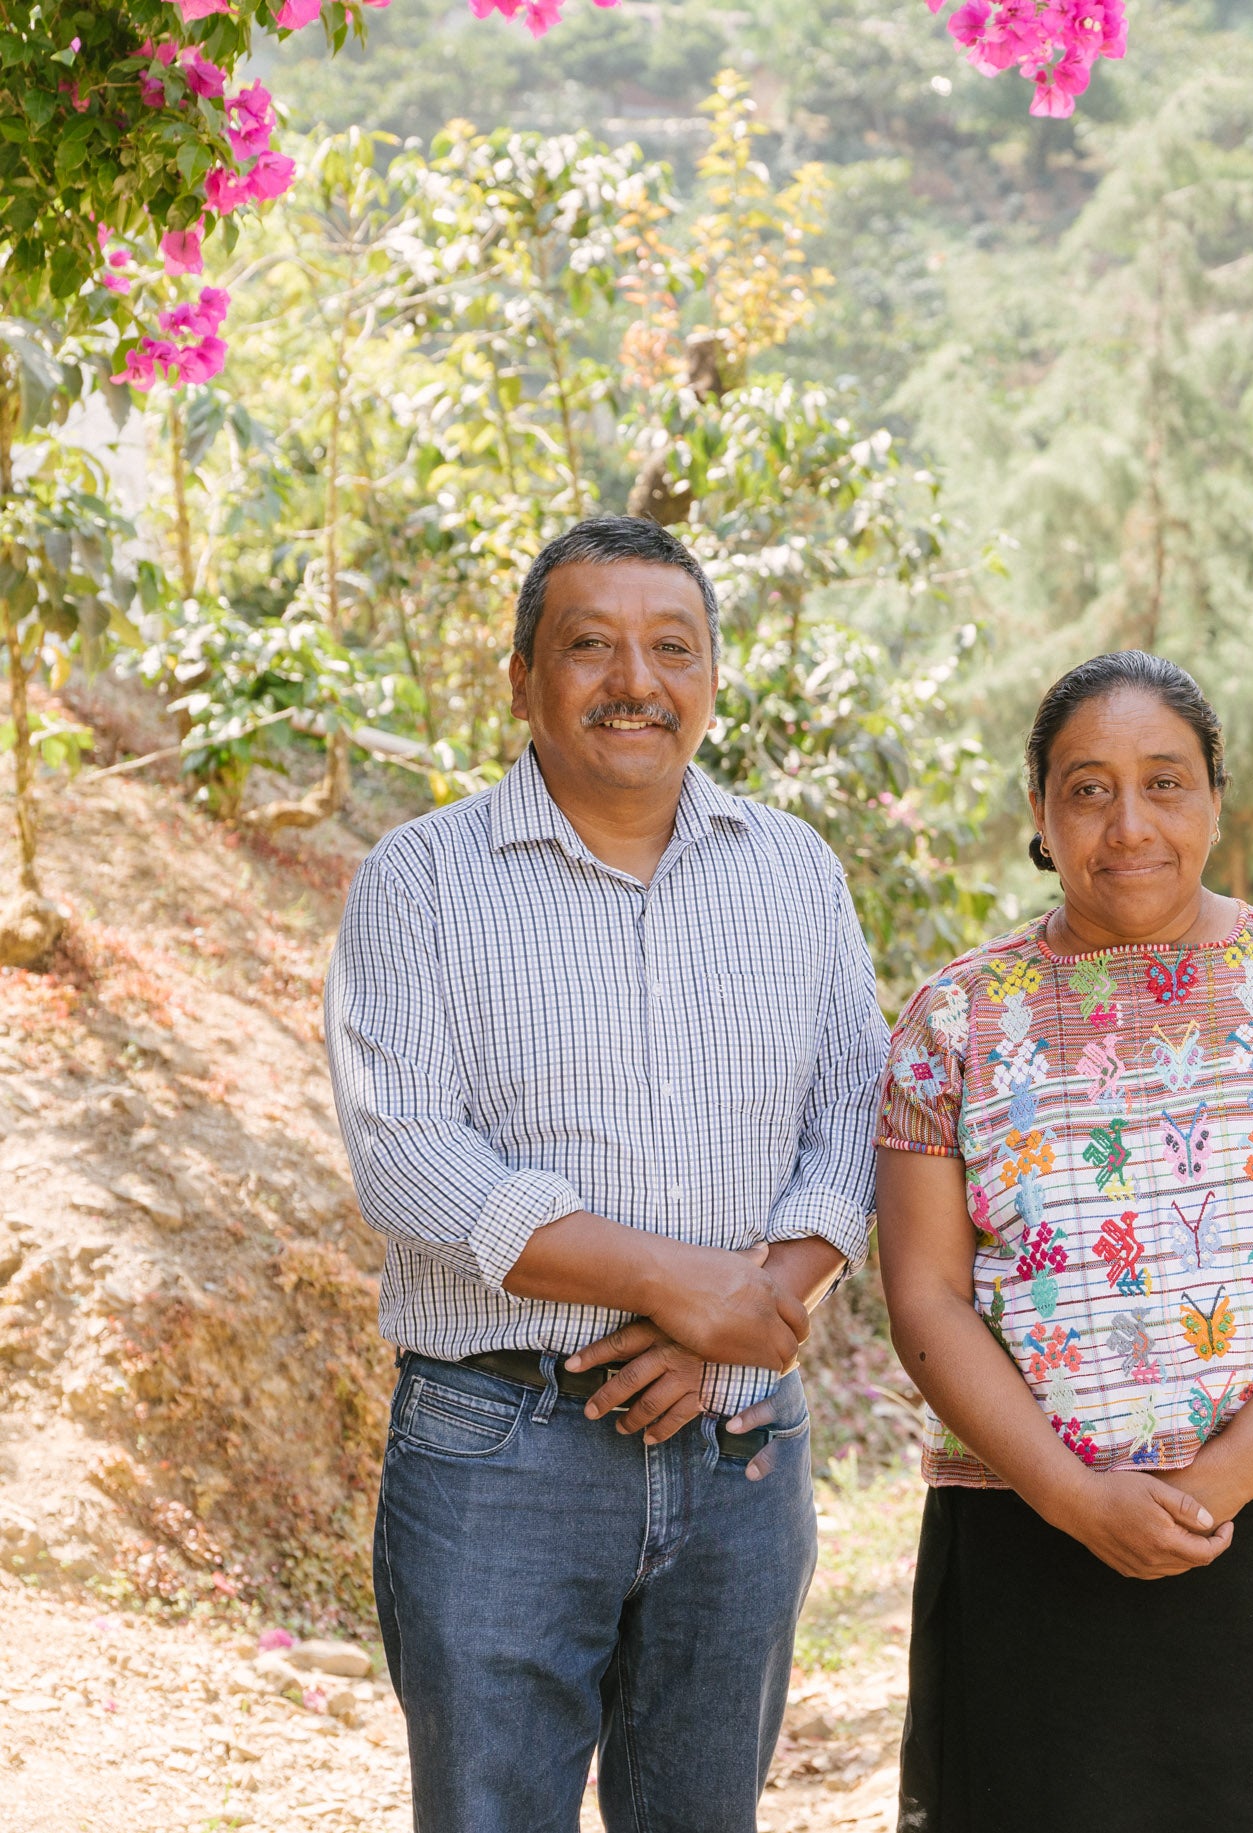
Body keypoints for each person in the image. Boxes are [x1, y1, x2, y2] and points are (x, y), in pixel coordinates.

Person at [327, 516, 874, 1833]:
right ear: (520, 677)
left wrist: (740, 1317)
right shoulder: (421, 879)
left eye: (670, 647)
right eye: (589, 646)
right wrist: (676, 1284)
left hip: (738, 1445)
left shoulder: (793, 871)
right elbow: (404, 1154)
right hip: (497, 1449)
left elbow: (857, 1113)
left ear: (711, 676)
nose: (635, 679)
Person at [875, 651, 1253, 1833]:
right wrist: (1080, 1499)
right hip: (1027, 1527)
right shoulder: (954, 1018)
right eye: (1087, 788)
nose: (1128, 824)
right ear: (1037, 811)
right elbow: (925, 1299)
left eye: (1164, 783)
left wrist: (1211, 1487)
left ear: (1216, 798)